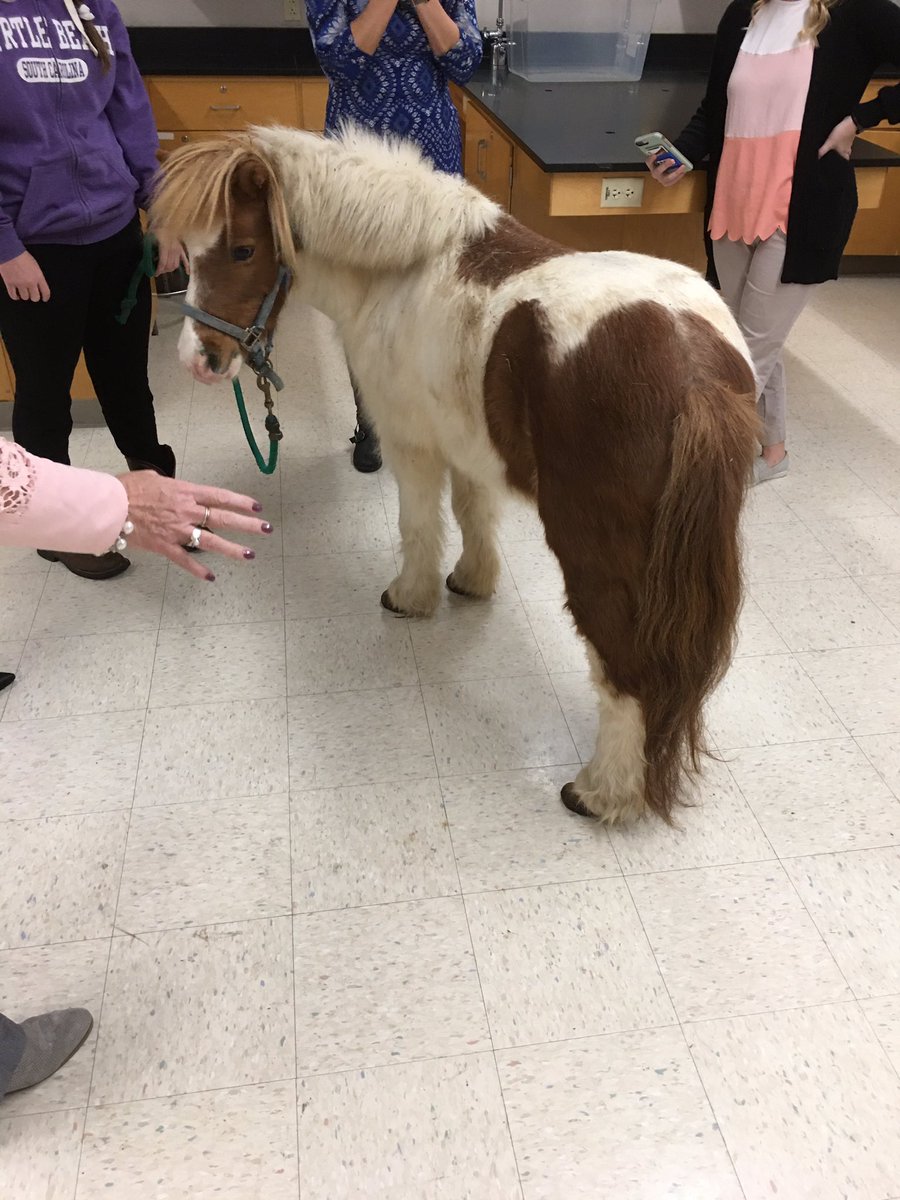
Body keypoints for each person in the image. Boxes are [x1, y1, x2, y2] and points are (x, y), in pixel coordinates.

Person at [645, 0, 900, 484]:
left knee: (742, 353)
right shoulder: (743, 12)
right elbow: (716, 107)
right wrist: (680, 154)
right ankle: (774, 452)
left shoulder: (858, 12)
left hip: (800, 214)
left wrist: (862, 118)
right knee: (744, 334)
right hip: (733, 205)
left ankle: (693, 468)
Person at [0, 0, 186, 576]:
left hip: (115, 232)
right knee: (44, 394)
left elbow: (129, 110)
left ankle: (159, 501)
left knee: (128, 380)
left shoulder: (91, 7)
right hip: (33, 249)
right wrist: (4, 246)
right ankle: (57, 527)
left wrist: (163, 207)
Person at [305, 0, 482, 471]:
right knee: (362, 297)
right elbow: (338, 60)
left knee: (433, 295)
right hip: (358, 163)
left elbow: (465, 62)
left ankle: (432, 417)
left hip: (433, 157)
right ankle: (372, 421)